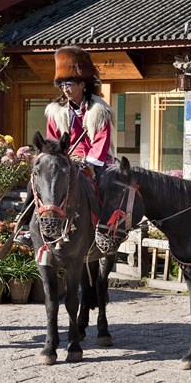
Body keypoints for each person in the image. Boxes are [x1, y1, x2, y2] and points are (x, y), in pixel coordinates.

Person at [14, 45, 116, 247]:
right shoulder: (55, 111)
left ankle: (106, 231)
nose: (66, 89)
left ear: (82, 85)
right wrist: (57, 160)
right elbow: (52, 141)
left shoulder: (99, 110)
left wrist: (88, 163)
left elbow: (101, 141)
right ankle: (25, 227)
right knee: (36, 181)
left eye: (69, 83)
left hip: (95, 160)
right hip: (65, 159)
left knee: (108, 185)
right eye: (62, 85)